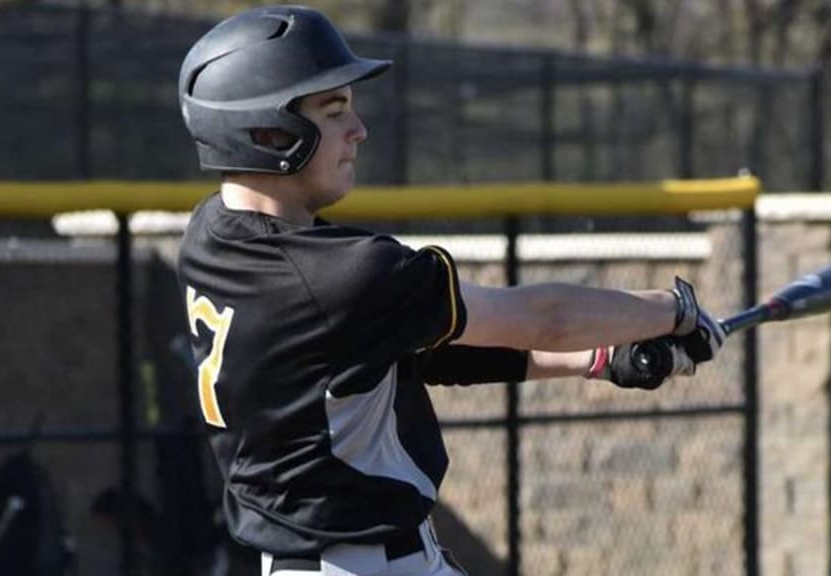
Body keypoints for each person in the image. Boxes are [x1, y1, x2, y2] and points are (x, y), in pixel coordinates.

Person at [175, 6, 724, 576]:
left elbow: (413, 353)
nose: (358, 130)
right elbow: (546, 317)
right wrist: (671, 310)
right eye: (334, 111)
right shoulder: (341, 278)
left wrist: (600, 358)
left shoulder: (210, 238)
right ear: (267, 133)